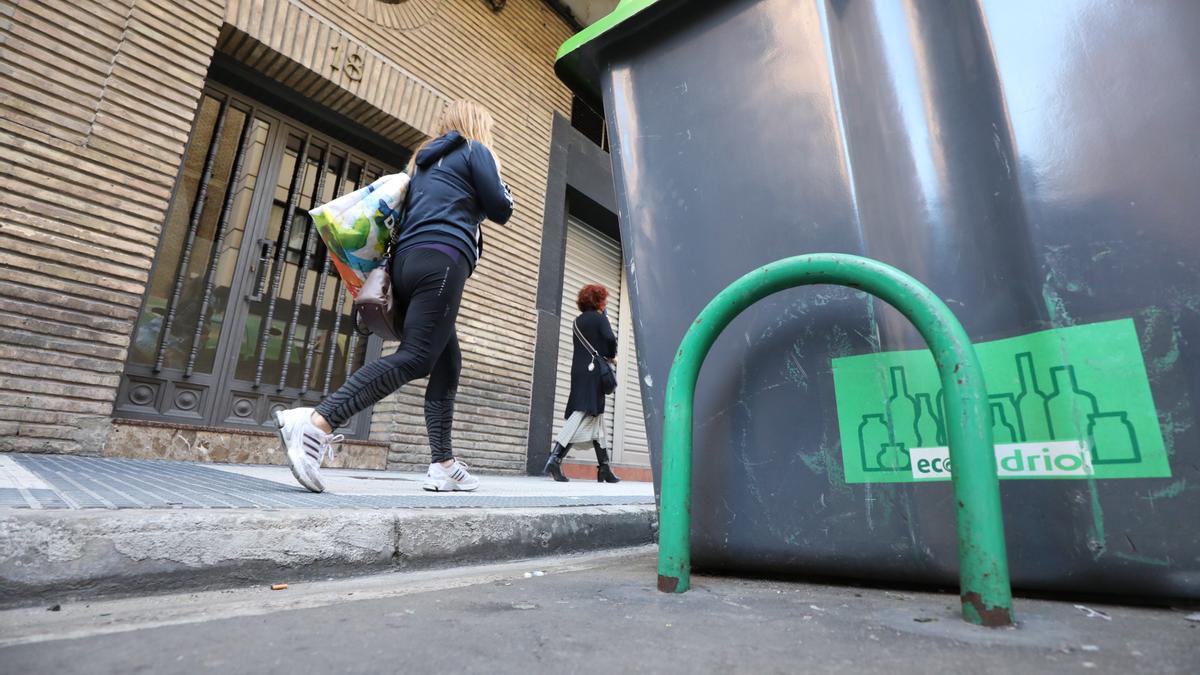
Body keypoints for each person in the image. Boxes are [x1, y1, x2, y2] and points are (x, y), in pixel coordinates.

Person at [275, 100, 513, 493]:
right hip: (443, 258)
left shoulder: (420, 164)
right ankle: (317, 422)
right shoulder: (475, 150)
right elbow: (501, 209)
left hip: (406, 266)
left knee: (447, 361)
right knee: (419, 357)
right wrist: (504, 187)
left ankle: (443, 463)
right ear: (477, 126)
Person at [544, 284, 621, 483]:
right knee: (581, 412)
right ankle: (555, 457)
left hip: (579, 370)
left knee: (596, 416)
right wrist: (611, 356)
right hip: (593, 371)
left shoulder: (577, 321)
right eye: (605, 300)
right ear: (599, 301)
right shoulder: (599, 318)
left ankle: (604, 468)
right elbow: (609, 338)